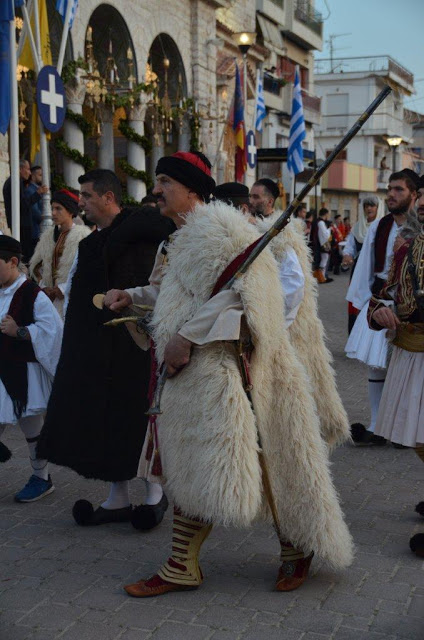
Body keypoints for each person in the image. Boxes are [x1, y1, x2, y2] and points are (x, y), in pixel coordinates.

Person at [103, 151, 353, 597]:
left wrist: (189, 337)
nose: (155, 190)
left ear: (191, 191)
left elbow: (253, 298)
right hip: (192, 377)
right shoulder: (180, 237)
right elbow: (172, 290)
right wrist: (135, 295)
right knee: (189, 462)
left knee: (267, 458)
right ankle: (182, 564)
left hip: (236, 374)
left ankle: (296, 548)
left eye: (164, 182)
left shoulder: (225, 231)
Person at [37, 169, 174, 528]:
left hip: (136, 346)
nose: (79, 202)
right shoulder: (89, 243)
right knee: (107, 420)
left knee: (139, 419)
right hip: (99, 352)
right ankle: (118, 498)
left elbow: (156, 287)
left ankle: (154, 495)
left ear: (108, 198)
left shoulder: (144, 235)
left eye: (86, 195)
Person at [367, 175, 424, 556]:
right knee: (419, 438)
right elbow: (379, 299)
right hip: (409, 351)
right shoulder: (406, 246)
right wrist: (380, 314)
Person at [345, 170, 419, 445]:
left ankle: (404, 430)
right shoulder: (380, 225)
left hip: (411, 306)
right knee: (376, 367)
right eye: (389, 188)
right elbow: (366, 264)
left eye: (399, 189)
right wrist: (365, 300)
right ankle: (377, 425)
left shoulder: (419, 226)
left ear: (413, 194)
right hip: (381, 303)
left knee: (407, 368)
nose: (391, 194)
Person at [0, 235, 63, 502]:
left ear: (13, 262)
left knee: (31, 427)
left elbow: (53, 331)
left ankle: (41, 477)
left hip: (24, 374)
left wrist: (20, 331)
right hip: (2, 371)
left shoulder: (32, 294)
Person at [29, 190, 91, 318]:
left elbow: (85, 269)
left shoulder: (83, 236)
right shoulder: (47, 236)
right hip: (49, 298)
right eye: (52, 208)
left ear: (70, 211)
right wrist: (45, 286)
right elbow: (37, 266)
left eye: (58, 209)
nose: (53, 213)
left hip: (71, 297)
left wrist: (63, 288)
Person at [342, 196, 385, 333]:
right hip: (359, 272)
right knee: (355, 306)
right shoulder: (357, 227)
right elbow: (350, 246)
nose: (369, 209)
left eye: (372, 206)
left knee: (372, 306)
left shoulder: (383, 227)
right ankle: (354, 340)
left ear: (378, 208)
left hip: (376, 272)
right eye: (366, 206)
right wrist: (347, 255)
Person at [25, 166, 47, 252]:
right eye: (40, 175)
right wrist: (44, 219)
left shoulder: (36, 189)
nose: (42, 178)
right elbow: (35, 212)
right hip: (34, 230)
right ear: (33, 176)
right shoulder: (30, 190)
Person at [310, 208, 333, 284]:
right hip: (322, 245)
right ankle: (321, 277)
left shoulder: (316, 222)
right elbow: (325, 235)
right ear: (326, 214)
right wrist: (329, 229)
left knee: (322, 261)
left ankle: (321, 277)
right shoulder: (321, 223)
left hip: (317, 244)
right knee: (324, 260)